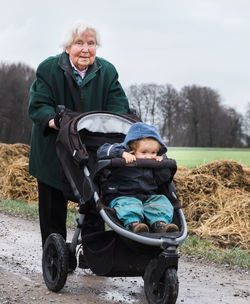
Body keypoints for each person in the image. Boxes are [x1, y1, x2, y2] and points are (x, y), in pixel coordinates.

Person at [28, 22, 129, 247]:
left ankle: (94, 253)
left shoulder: (107, 71)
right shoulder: (48, 69)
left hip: (90, 148)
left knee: (93, 198)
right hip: (52, 149)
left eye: (91, 43)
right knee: (53, 204)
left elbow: (119, 106)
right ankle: (54, 254)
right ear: (67, 47)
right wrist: (54, 120)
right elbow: (39, 104)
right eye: (79, 43)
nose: (85, 49)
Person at [97, 122, 179, 233]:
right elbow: (102, 151)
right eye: (144, 152)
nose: (149, 156)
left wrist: (161, 166)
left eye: (153, 152)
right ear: (131, 148)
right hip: (123, 195)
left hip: (148, 197)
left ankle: (161, 224)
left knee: (161, 201)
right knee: (129, 206)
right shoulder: (123, 153)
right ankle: (134, 224)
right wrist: (121, 153)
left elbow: (163, 180)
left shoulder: (155, 162)